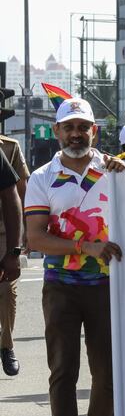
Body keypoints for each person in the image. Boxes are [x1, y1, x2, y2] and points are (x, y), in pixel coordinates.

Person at [24, 98, 125, 416]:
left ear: (94, 132)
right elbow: (35, 238)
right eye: (68, 127)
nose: (76, 134)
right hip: (61, 288)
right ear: (56, 132)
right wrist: (86, 247)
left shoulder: (116, 170)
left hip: (108, 285)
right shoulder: (41, 178)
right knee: (63, 370)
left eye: (83, 127)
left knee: (107, 370)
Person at [0, 135, 27, 376]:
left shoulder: (8, 147)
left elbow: (16, 194)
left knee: (6, 290)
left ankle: (6, 345)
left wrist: (15, 248)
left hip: (3, 230)